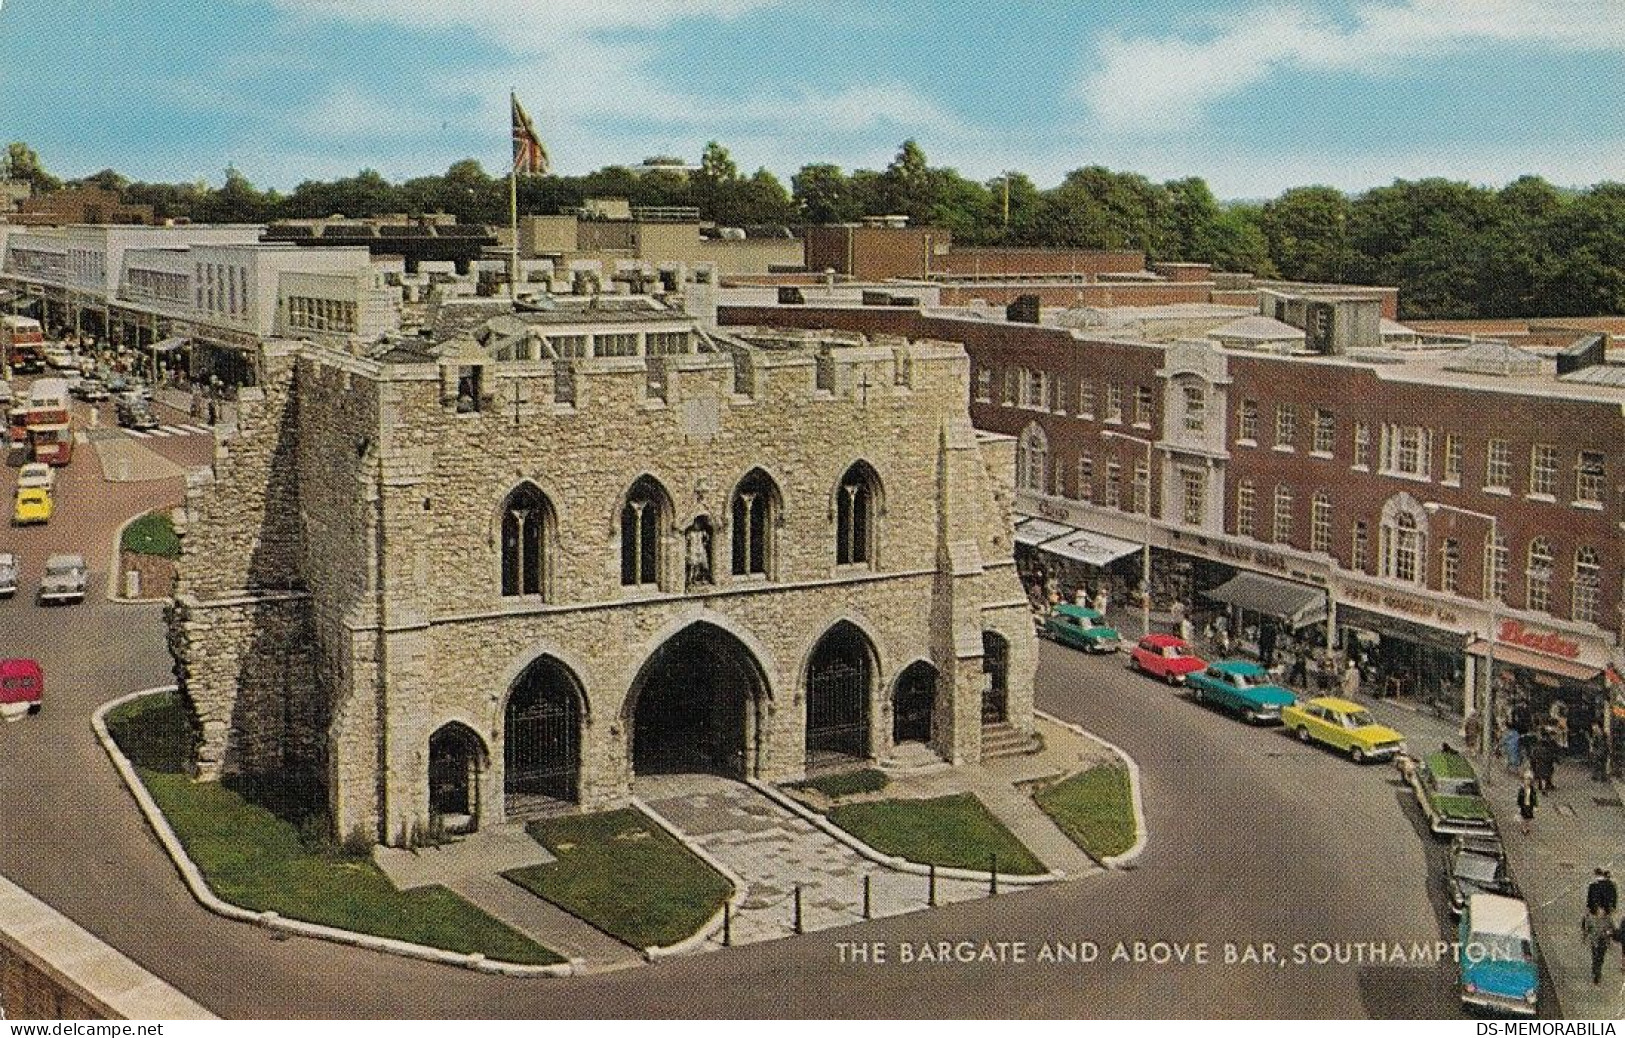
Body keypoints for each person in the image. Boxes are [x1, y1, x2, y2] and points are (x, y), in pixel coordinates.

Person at [1585, 907, 1614, 984]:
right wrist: (1585, 937)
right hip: (1595, 942)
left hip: (1603, 942)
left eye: (1603, 910)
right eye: (1600, 910)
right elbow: (1587, 928)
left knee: (1600, 958)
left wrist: (1609, 933)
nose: (1601, 912)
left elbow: (1612, 929)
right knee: (1595, 957)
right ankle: (1596, 973)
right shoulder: (1591, 918)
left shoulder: (1608, 919)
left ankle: (1597, 970)